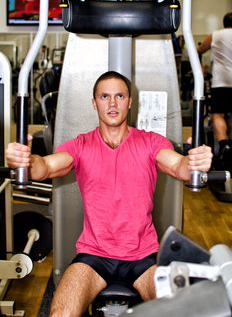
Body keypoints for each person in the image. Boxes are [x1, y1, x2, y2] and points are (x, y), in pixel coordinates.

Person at [6, 71, 212, 317]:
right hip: (93, 255)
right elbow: (45, 167)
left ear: (130, 102)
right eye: (104, 96)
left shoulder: (151, 142)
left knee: (178, 313)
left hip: (143, 256)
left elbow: (179, 167)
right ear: (94, 103)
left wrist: (195, 163)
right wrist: (25, 161)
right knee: (60, 313)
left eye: (120, 96)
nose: (112, 104)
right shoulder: (80, 145)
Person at [197, 12, 232, 160]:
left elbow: (199, 50)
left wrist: (200, 70)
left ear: (224, 23)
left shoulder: (216, 35)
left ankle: (224, 145)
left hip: (221, 82)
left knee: (218, 114)